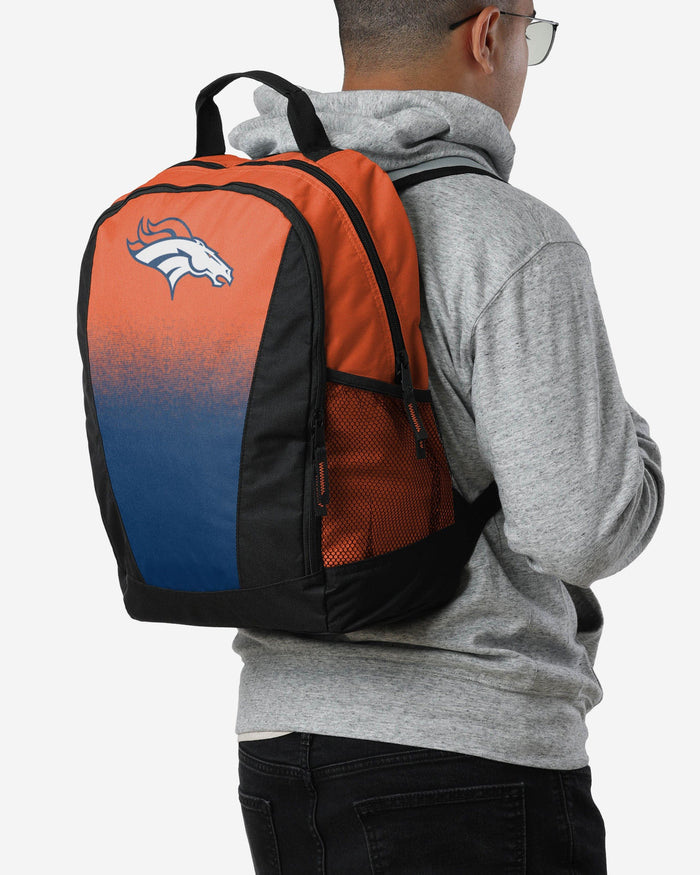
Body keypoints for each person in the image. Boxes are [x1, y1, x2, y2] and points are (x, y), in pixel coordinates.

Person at [230, 2, 664, 872]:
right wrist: (634, 443)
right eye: (533, 33)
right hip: (470, 755)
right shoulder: (504, 234)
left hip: (277, 746)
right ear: (488, 34)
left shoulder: (251, 223)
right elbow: (585, 527)